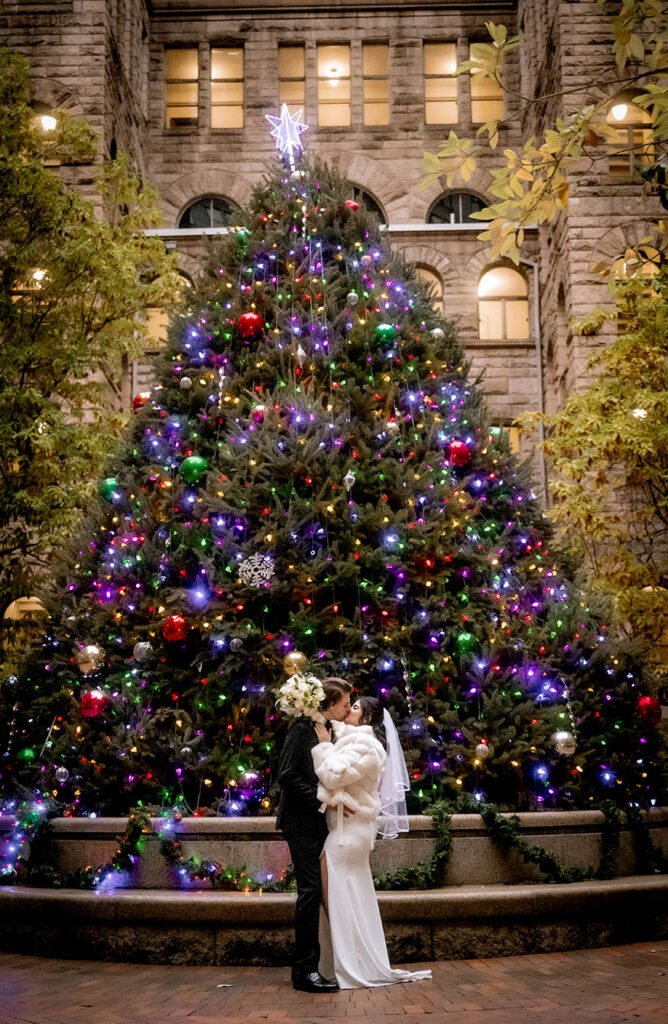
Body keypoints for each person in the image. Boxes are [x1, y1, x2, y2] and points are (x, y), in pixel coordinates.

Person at [312, 696, 432, 990]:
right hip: (349, 826)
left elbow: (332, 775)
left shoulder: (366, 746)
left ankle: (351, 964)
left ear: (367, 717)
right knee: (345, 895)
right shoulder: (352, 740)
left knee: (337, 895)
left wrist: (324, 746)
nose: (347, 710)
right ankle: (342, 961)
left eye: (354, 707)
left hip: (349, 831)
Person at [275, 675, 352, 993]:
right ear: (330, 703)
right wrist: (321, 799)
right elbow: (287, 775)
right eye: (345, 703)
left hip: (318, 824)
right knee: (309, 891)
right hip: (301, 823)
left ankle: (320, 964)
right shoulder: (301, 729)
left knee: (317, 891)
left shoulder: (329, 731)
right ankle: (304, 971)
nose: (348, 708)